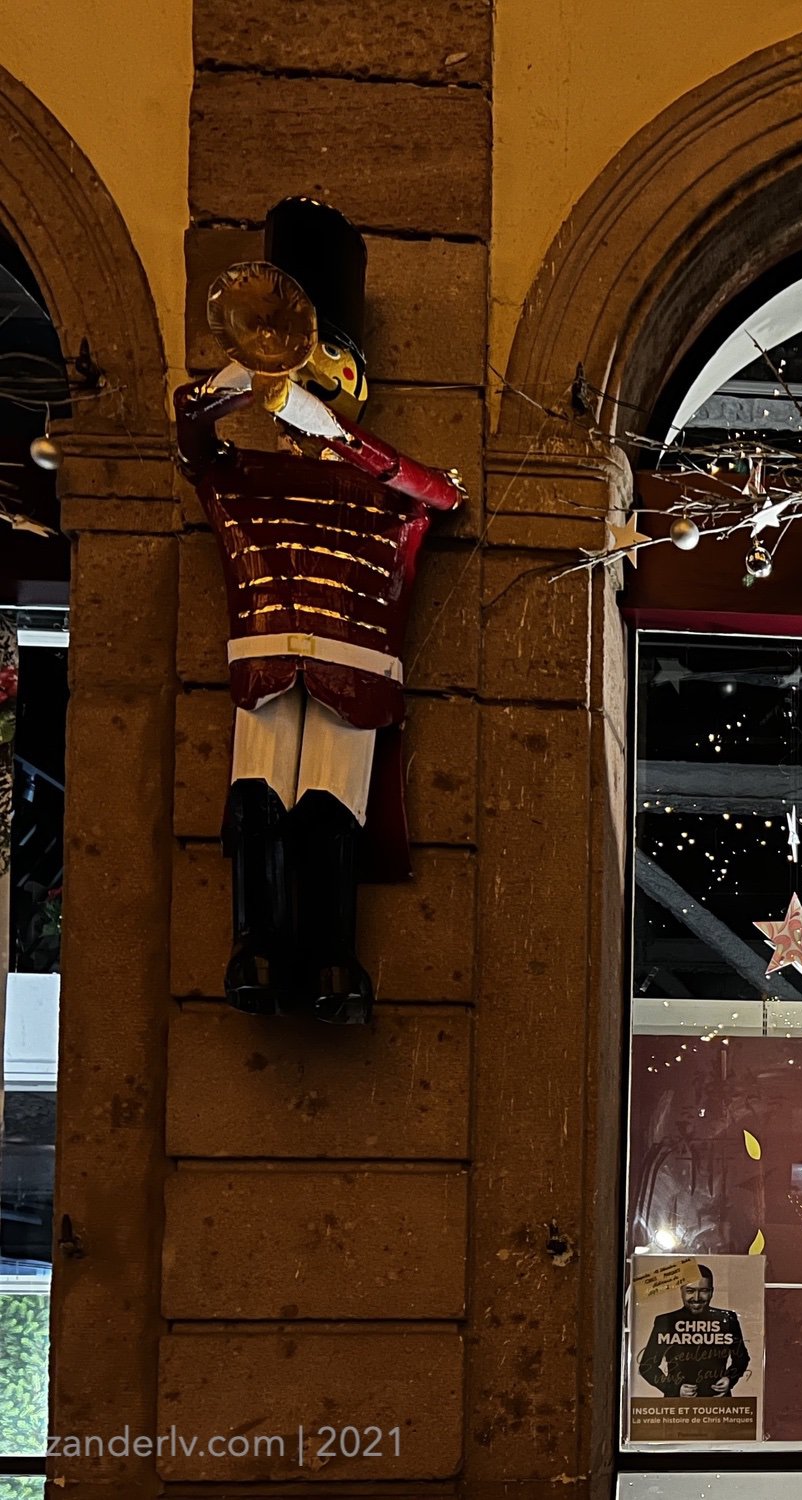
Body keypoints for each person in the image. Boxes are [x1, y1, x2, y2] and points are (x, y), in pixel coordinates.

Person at [175, 197, 464, 1024]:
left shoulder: (386, 488)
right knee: (259, 795)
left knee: (333, 803)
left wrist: (328, 429)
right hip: (268, 647)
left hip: (353, 656)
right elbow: (190, 432)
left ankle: (331, 953)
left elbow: (441, 492)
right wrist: (243, 379)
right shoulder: (242, 476)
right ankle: (256, 945)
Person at [637, 1264, 751, 1398]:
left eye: (703, 1291)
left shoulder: (727, 1319)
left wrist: (730, 1379)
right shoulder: (666, 1321)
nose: (696, 1298)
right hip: (677, 1404)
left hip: (718, 1402)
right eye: (690, 1291)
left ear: (711, 1292)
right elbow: (647, 1366)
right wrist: (674, 1389)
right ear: (681, 1291)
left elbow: (741, 1359)